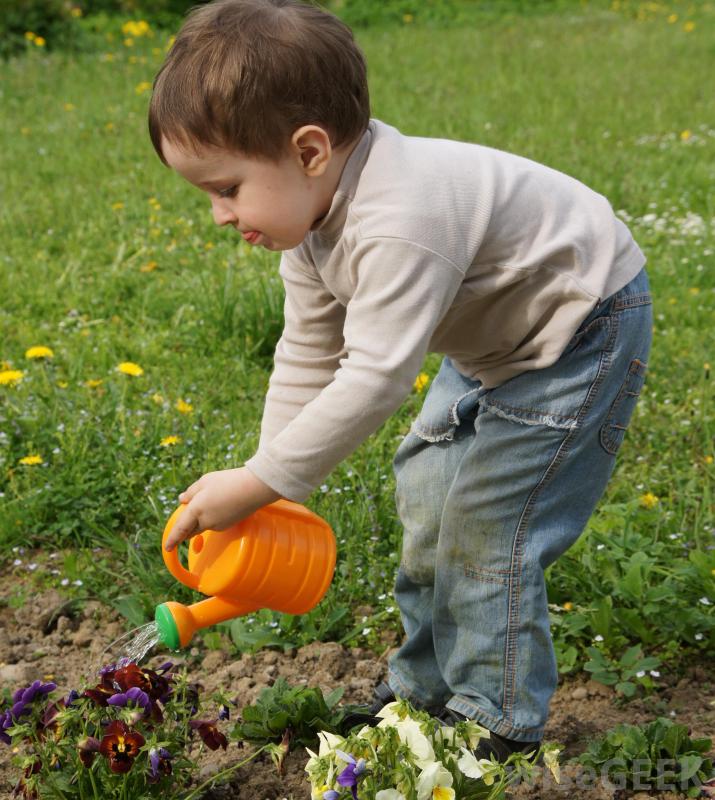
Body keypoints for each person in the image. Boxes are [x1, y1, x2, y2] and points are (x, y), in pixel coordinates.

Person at [148, 0, 652, 760]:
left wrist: (253, 482)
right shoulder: (311, 225)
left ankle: (496, 716)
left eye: (226, 188)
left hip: (577, 330)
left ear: (310, 151)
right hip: (488, 338)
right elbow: (308, 353)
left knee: (487, 525)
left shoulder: (398, 219)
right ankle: (424, 691)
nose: (219, 215)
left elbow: (376, 377)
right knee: (426, 502)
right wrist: (268, 485)